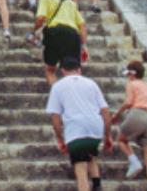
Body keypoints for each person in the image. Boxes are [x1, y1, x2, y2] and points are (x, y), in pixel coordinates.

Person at [46, 56, 113, 191]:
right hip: (95, 129)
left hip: (76, 130)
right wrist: (108, 136)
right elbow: (105, 111)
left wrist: (60, 139)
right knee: (90, 153)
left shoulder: (58, 86)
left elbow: (55, 117)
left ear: (63, 71)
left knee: (81, 170)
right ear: (79, 70)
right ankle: (97, 183)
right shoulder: (91, 83)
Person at [113, 60, 147, 189]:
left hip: (137, 113)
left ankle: (134, 161)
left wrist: (117, 114)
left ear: (131, 74)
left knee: (121, 140)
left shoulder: (132, 84)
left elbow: (129, 102)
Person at [29, 0, 88, 85]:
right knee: (73, 70)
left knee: (50, 69)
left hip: (54, 32)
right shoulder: (70, 1)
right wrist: (83, 45)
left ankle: (58, 95)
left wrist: (34, 32)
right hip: (73, 34)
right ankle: (75, 94)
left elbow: (41, 18)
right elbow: (82, 25)